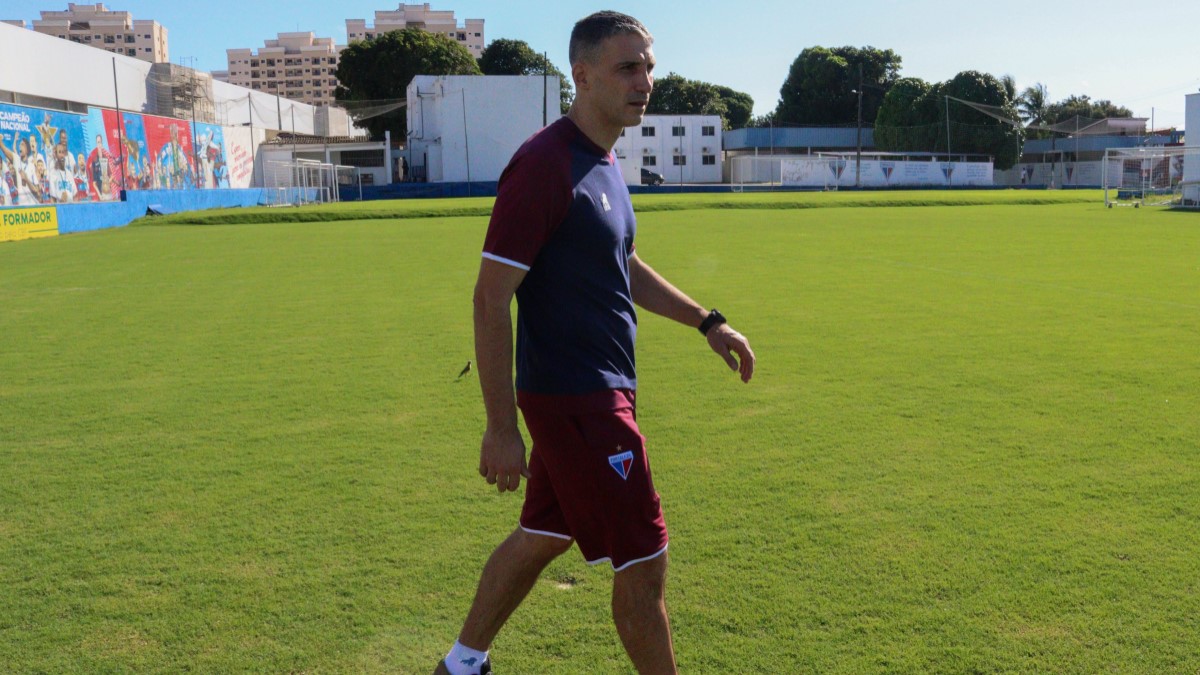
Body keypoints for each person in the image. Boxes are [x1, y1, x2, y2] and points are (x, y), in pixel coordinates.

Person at [435, 11, 755, 675]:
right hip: (578, 400)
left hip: (595, 393)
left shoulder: (601, 162)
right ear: (582, 75)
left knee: (543, 532)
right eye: (627, 67)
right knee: (645, 562)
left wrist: (707, 321)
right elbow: (490, 297)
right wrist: (500, 427)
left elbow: (623, 263)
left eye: (649, 65)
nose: (645, 81)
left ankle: (462, 663)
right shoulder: (544, 165)